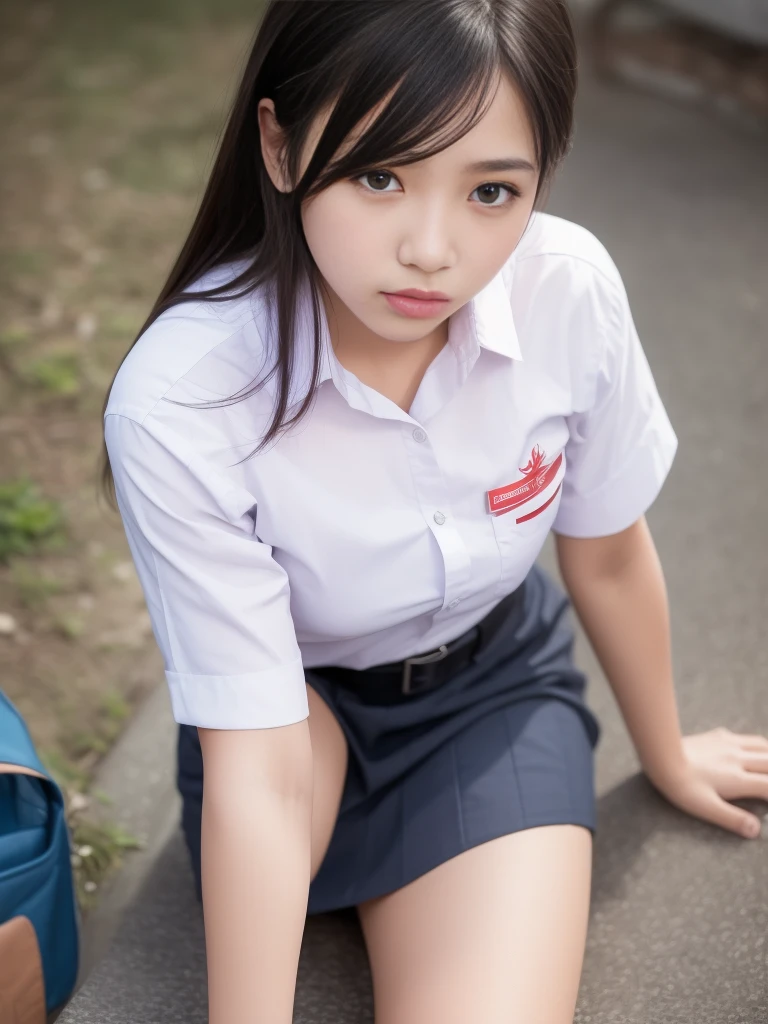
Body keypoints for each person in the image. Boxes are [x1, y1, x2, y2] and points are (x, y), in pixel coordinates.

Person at [98, 2, 768, 1022]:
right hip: (291, 713)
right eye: (379, 176)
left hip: (488, 697)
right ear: (278, 145)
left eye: (493, 190)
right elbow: (262, 762)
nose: (431, 249)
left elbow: (609, 551)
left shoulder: (568, 290)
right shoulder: (185, 400)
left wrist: (666, 753)